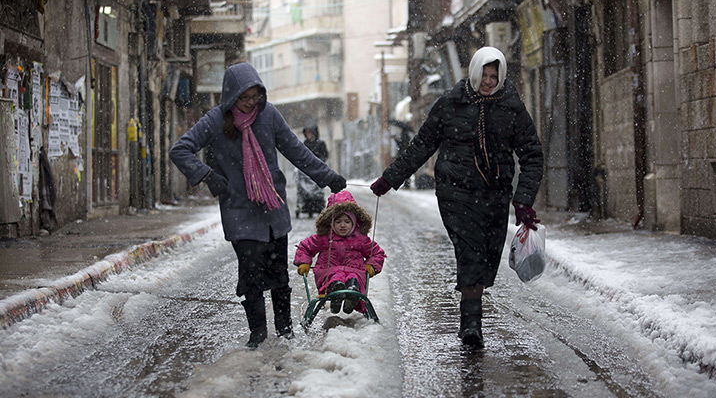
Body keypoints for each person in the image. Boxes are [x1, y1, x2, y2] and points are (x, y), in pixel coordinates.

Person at [370, 46, 543, 347]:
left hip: (495, 194)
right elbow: (421, 145)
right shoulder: (450, 103)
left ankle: (473, 306)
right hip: (456, 193)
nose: (489, 81)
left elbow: (531, 154)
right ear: (474, 72)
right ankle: (471, 325)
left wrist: (523, 199)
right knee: (470, 252)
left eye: (495, 76)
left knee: (488, 257)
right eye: (485, 75)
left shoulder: (511, 107)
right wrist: (390, 179)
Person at [170, 63, 347, 348]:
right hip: (239, 209)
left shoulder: (269, 115)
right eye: (245, 97)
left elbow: (296, 151)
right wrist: (207, 175)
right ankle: (258, 334)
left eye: (255, 96)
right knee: (250, 274)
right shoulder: (216, 121)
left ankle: (285, 329)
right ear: (231, 97)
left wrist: (327, 177)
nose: (252, 102)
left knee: (279, 274)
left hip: (272, 209)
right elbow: (180, 149)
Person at [294, 190, 386, 315]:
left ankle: (351, 294)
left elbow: (376, 253)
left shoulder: (360, 239)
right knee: (336, 276)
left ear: (354, 223)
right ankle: (336, 292)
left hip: (355, 270)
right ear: (330, 222)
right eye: (338, 222)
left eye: (347, 222)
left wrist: (371, 266)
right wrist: (304, 262)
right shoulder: (324, 238)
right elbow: (305, 247)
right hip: (328, 271)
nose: (343, 225)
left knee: (354, 277)